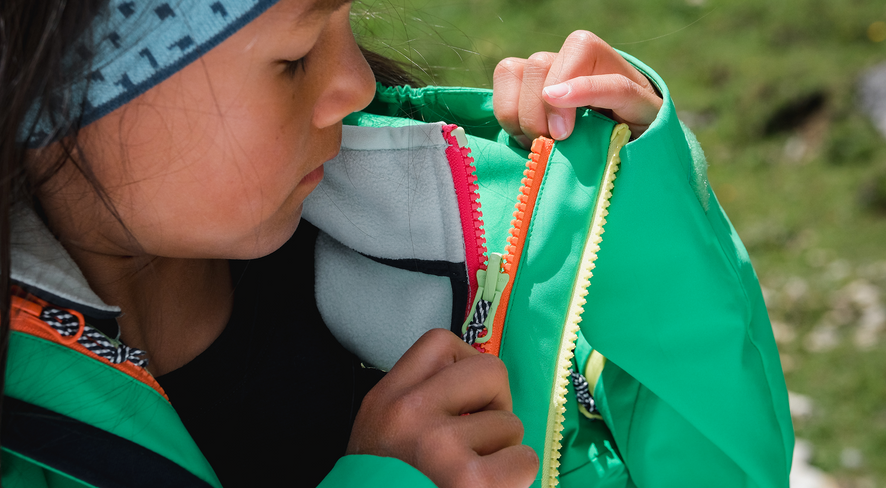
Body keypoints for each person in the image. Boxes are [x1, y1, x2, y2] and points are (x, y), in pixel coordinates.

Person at [2, 0, 791, 487]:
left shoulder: (441, 243)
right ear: (64, 94)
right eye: (295, 57)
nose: (357, 84)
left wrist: (629, 212)